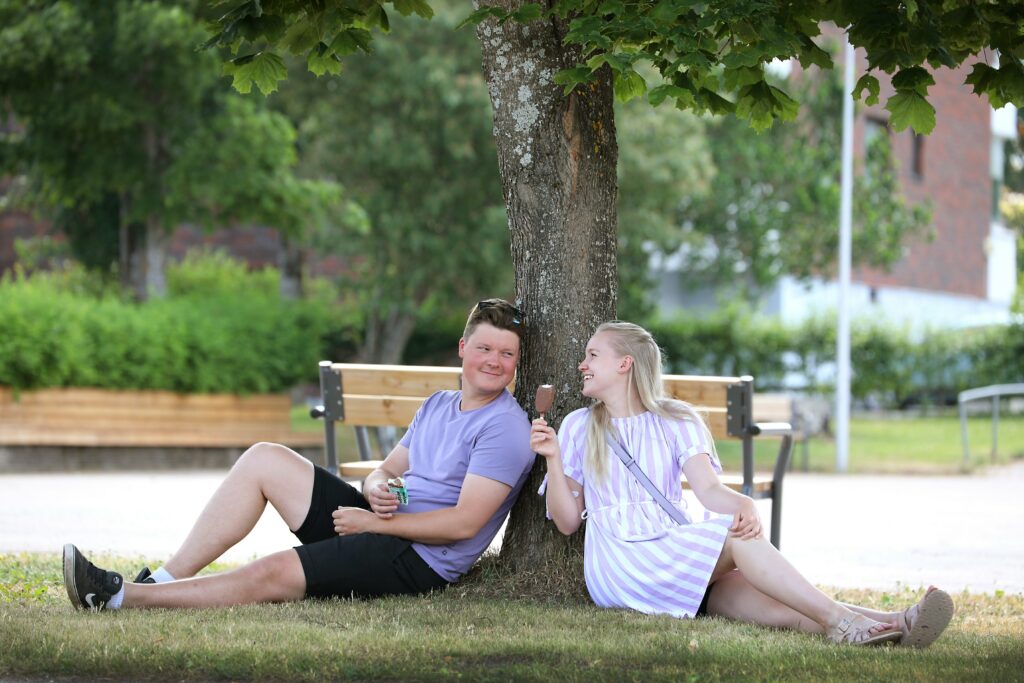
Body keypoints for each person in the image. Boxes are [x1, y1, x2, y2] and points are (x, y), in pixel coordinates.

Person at [63, 299, 535, 611]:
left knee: (273, 572)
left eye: (507, 354)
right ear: (462, 349)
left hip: (416, 560)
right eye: (485, 348)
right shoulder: (438, 404)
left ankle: (122, 597)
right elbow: (389, 468)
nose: (494, 361)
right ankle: (166, 577)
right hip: (379, 522)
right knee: (265, 458)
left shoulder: (505, 429)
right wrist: (375, 488)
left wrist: (374, 523)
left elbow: (463, 526)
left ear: (517, 363)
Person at [530, 321, 955, 647]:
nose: (582, 364)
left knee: (779, 608)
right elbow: (567, 522)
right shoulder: (578, 426)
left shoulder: (676, 419)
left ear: (625, 364)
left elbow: (709, 489)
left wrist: (740, 502)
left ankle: (897, 623)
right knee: (737, 537)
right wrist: (552, 458)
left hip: (675, 547)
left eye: (593, 355)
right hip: (624, 564)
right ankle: (841, 623)